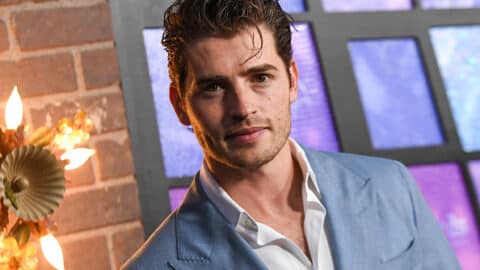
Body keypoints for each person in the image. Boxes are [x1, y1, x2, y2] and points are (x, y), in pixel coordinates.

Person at [122, 0, 461, 269]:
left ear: (293, 79)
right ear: (180, 105)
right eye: (213, 87)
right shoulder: (156, 265)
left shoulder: (391, 185)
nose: (243, 107)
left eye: (260, 78)